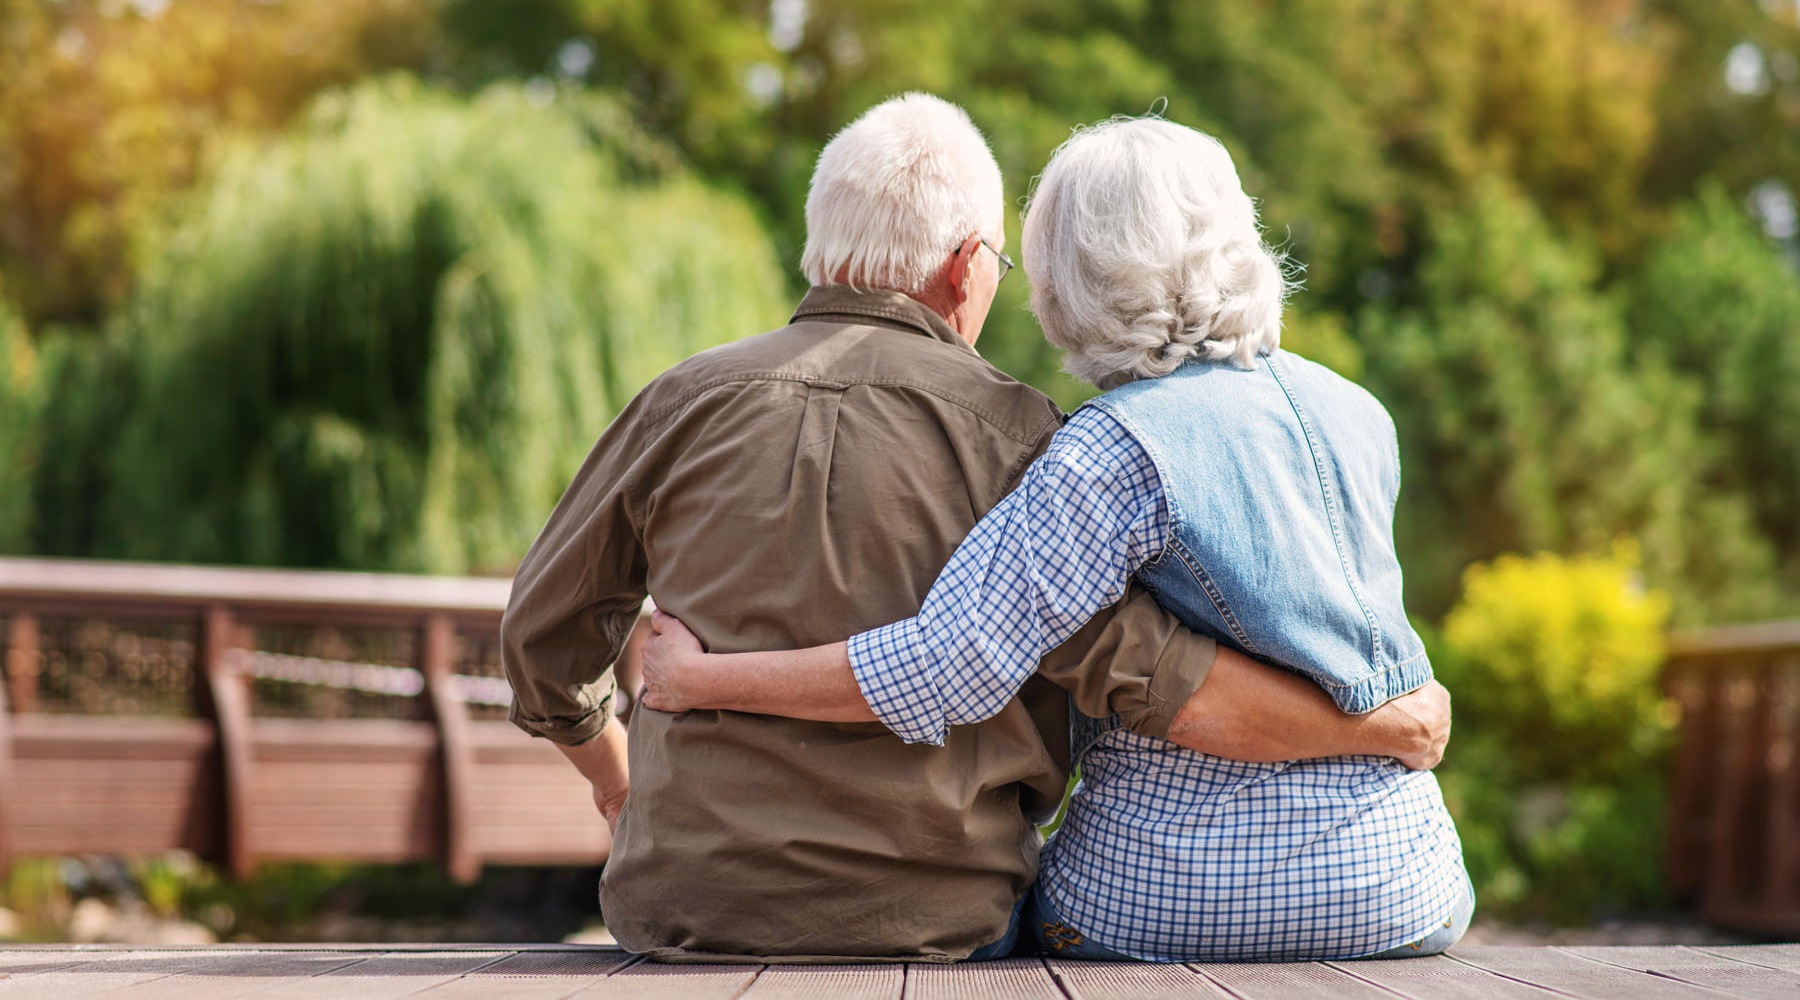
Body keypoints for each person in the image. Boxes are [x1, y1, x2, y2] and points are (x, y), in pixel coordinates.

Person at [501, 95, 1452, 964]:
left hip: (677, 908)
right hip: (943, 920)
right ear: (965, 266)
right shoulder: (1030, 436)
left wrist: (624, 786)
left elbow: (541, 639)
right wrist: (1381, 725)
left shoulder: (682, 401)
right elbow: (1148, 673)